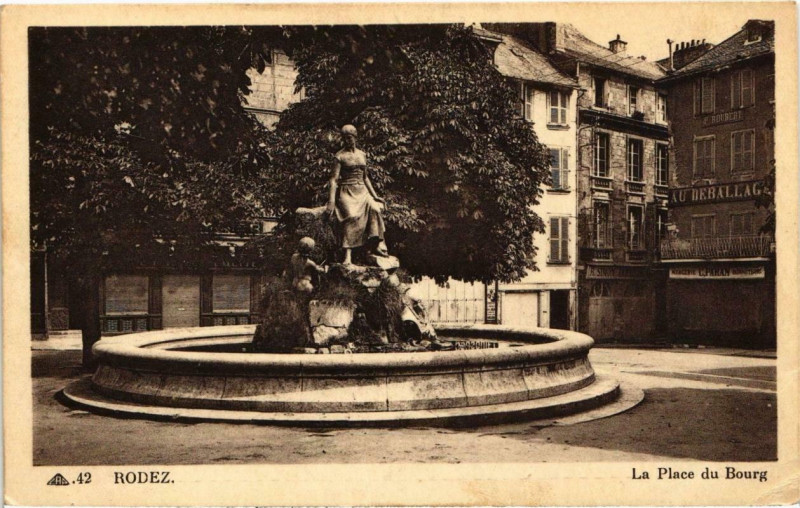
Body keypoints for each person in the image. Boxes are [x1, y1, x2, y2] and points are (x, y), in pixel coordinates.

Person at [326, 124, 387, 265]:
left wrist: (375, 195)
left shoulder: (362, 155)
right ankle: (348, 255)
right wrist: (331, 200)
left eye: (350, 137)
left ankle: (377, 243)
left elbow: (365, 178)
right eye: (345, 138)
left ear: (355, 137)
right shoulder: (339, 156)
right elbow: (334, 179)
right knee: (352, 216)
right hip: (347, 191)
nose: (348, 141)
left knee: (376, 209)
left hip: (363, 192)